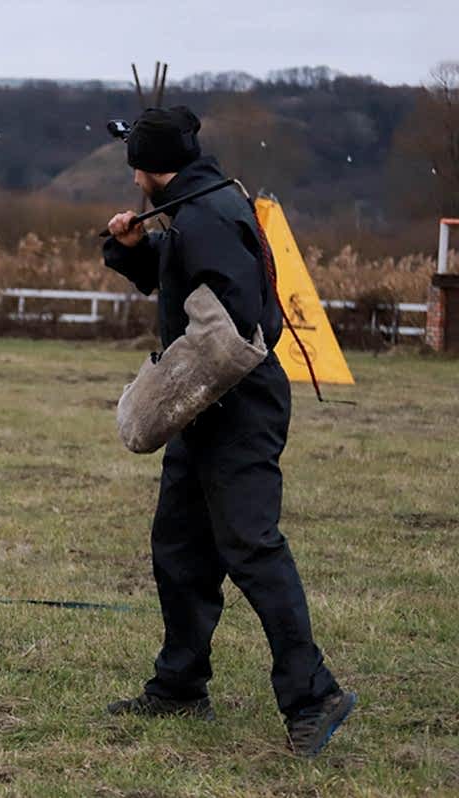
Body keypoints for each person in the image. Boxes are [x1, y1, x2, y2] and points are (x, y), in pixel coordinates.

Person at [100, 106, 355, 757]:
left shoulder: (208, 215)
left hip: (235, 404)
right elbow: (189, 276)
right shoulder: (198, 205)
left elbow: (234, 329)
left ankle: (314, 694)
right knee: (181, 547)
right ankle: (180, 687)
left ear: (148, 167)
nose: (131, 177)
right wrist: (134, 252)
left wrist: (161, 396)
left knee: (251, 547)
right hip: (204, 405)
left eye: (133, 164)